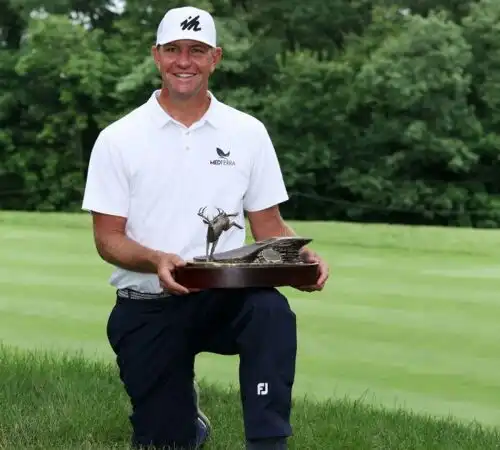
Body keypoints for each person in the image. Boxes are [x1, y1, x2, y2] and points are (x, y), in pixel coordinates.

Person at [82, 5, 329, 450]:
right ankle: (185, 421)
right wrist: (157, 259)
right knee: (166, 442)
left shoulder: (247, 133)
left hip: (225, 295)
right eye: (174, 49)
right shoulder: (118, 138)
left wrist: (296, 256)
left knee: (270, 312)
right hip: (147, 302)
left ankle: (268, 442)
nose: (184, 61)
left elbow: (268, 225)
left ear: (215, 58)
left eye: (196, 50)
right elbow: (108, 238)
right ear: (156, 56)